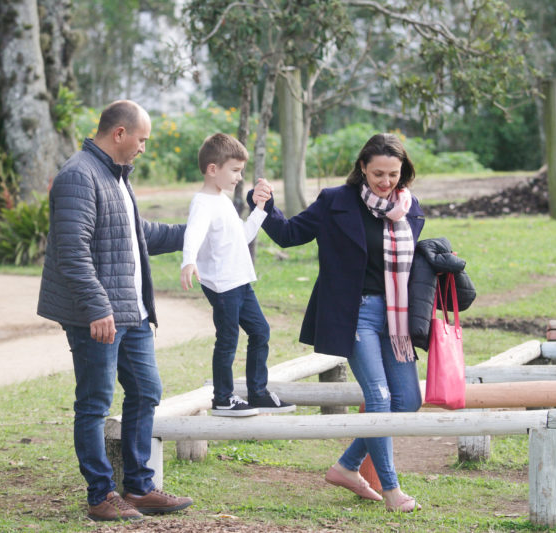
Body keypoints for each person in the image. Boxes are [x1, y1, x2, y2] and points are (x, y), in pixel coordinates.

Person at [247, 133, 425, 513]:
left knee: (407, 401)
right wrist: (264, 205)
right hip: (354, 314)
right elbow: (289, 234)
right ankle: (393, 491)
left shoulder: (410, 208)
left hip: (396, 318)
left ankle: (346, 466)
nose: (386, 181)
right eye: (378, 173)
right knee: (378, 398)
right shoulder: (336, 201)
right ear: (362, 168)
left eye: (393, 174)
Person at [37, 100, 193, 522]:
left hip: (132, 314)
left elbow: (135, 235)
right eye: (141, 140)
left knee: (146, 391)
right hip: (98, 316)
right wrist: (96, 307)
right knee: (94, 403)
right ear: (119, 134)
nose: (144, 148)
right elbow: (71, 253)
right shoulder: (78, 176)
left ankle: (140, 488)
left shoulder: (117, 177)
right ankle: (100, 495)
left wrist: (190, 233)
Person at [181, 133, 295, 417]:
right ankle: (223, 398)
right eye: (234, 170)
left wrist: (258, 210)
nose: (239, 177)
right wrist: (188, 260)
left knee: (260, 332)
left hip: (241, 282)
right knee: (228, 339)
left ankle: (257, 392)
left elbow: (241, 237)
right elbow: (193, 232)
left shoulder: (222, 200)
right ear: (212, 169)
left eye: (241, 171)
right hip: (222, 286)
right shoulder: (203, 203)